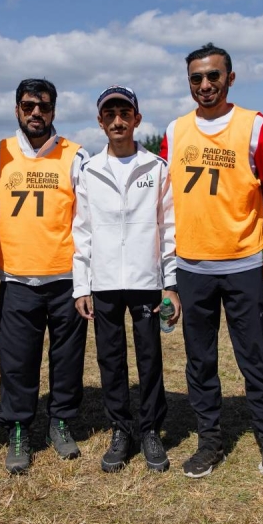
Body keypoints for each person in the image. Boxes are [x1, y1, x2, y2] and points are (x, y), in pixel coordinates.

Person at [160, 43, 263, 493]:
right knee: (200, 362)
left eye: (213, 77)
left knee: (256, 361)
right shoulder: (175, 129)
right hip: (191, 266)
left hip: (243, 263)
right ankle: (209, 441)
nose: (205, 85)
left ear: (230, 78)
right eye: (197, 78)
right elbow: (162, 203)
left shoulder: (254, 125)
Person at [72, 85, 179, 473]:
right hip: (103, 281)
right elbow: (81, 230)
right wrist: (81, 285)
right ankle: (121, 428)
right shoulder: (90, 170)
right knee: (110, 360)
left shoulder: (156, 167)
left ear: (137, 118)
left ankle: (150, 429)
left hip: (145, 279)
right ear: (101, 122)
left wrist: (170, 283)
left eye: (124, 113)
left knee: (150, 358)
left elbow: (168, 227)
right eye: (109, 114)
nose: (118, 120)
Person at [0, 78, 90, 474]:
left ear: (54, 110)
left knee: (67, 359)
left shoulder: (75, 156)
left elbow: (87, 220)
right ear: (17, 109)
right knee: (17, 361)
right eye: (29, 105)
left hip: (65, 280)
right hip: (18, 280)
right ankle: (18, 428)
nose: (36, 113)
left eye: (44, 106)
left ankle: (60, 421)